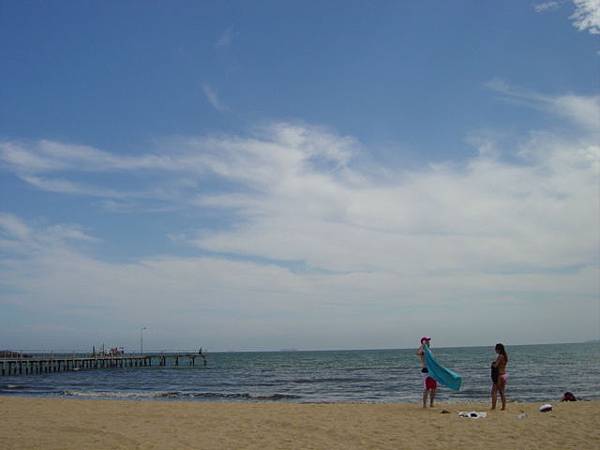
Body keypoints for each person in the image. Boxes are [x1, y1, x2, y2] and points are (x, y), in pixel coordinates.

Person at [416, 336, 437, 408]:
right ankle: (424, 405)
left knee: (434, 388)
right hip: (426, 371)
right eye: (427, 341)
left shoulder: (429, 351)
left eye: (428, 341)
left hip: (433, 371)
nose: (429, 342)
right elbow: (418, 353)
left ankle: (431, 403)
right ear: (424, 342)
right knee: (426, 388)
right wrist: (423, 345)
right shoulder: (423, 351)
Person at [490, 343, 508, 410]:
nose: (495, 350)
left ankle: (493, 407)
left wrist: (492, 363)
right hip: (504, 375)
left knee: (493, 391)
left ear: (499, 349)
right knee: (502, 392)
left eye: (496, 349)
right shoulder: (505, 356)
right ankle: (503, 407)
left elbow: (496, 365)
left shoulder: (500, 356)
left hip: (499, 376)